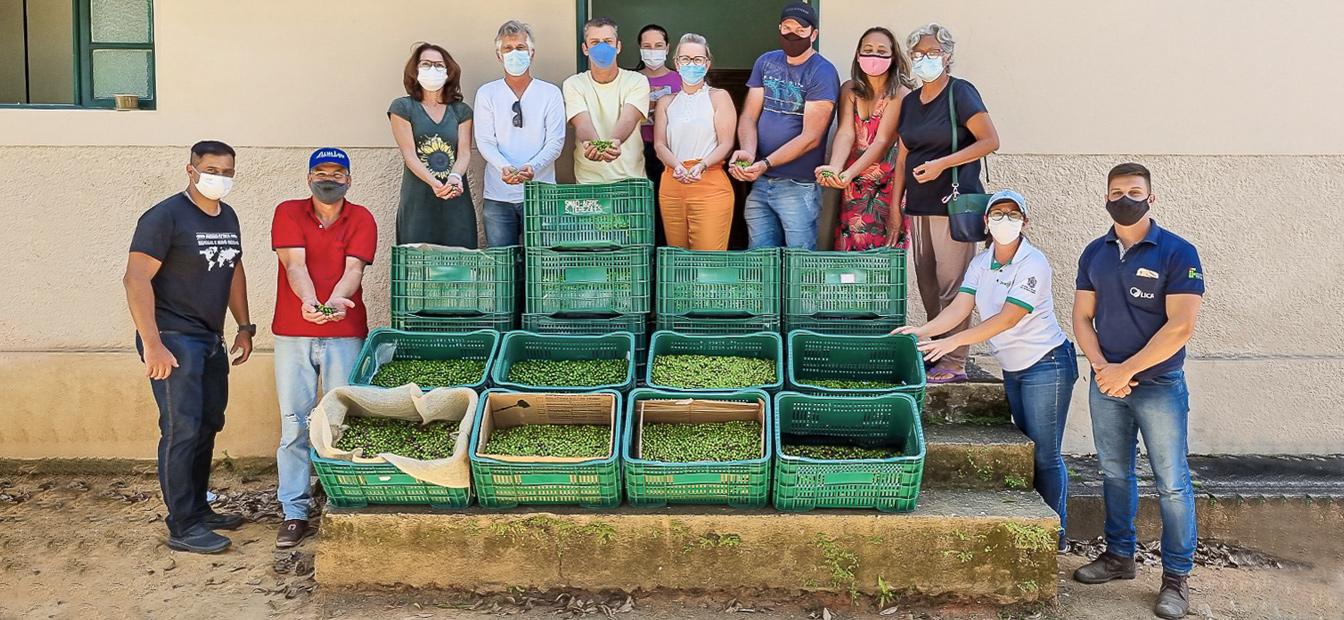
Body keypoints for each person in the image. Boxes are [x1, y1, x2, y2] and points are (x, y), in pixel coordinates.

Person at [895, 190, 1077, 548]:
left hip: (1047, 364)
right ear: (985, 222)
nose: (1004, 220)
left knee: (1045, 454)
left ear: (1025, 222)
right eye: (997, 214)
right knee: (1028, 448)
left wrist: (951, 343)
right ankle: (1037, 527)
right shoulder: (981, 262)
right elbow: (960, 308)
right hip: (1014, 367)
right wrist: (923, 329)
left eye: (1012, 214)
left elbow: (1009, 317)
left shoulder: (1033, 262)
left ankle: (1055, 534)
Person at [1071, 163, 1205, 620]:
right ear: (1105, 197)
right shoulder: (1095, 253)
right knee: (1114, 473)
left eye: (1133, 191)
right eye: (1115, 191)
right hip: (1106, 382)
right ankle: (1119, 557)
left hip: (1159, 385)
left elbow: (1181, 326)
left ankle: (1176, 579)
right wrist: (1103, 368)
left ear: (1151, 198)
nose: (1123, 198)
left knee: (1171, 483)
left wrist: (1125, 369)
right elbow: (1081, 318)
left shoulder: (1177, 252)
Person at [123, 140, 254, 554]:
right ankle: (182, 524)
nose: (220, 177)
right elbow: (135, 279)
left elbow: (232, 269)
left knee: (208, 424)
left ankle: (199, 507)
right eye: (212, 169)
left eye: (228, 171)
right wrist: (153, 344)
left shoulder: (227, 215)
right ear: (191, 170)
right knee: (180, 430)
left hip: (209, 337)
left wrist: (245, 326)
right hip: (172, 337)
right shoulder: (165, 217)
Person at [269, 148, 377, 548]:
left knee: (340, 422)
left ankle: (339, 499)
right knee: (294, 423)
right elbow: (293, 265)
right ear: (308, 177)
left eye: (336, 172)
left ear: (348, 179)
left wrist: (332, 305)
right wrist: (309, 304)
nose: (327, 178)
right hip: (293, 334)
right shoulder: (288, 212)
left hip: (345, 332)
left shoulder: (361, 218)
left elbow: (354, 270)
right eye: (320, 171)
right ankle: (294, 510)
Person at [889, 23, 1000, 383]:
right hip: (918, 207)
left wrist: (942, 163)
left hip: (953, 205)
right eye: (918, 53)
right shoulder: (909, 102)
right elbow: (902, 157)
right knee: (928, 285)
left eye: (933, 52)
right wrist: (895, 207)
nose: (924, 59)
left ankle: (955, 360)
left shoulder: (960, 93)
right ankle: (937, 350)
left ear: (948, 56)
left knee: (954, 285)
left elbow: (989, 140)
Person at [730, 1, 840, 250]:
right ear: (779, 28)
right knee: (759, 261)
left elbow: (811, 136)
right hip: (760, 180)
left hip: (797, 186)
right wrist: (748, 152)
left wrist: (765, 163)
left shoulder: (822, 72)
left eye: (801, 30)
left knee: (798, 262)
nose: (792, 34)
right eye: (787, 27)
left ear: (814, 34)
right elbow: (748, 115)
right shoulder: (766, 62)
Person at [815, 27, 914, 250]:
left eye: (881, 51)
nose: (874, 56)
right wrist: (835, 168)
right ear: (858, 55)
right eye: (868, 50)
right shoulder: (849, 89)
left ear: (893, 56)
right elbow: (845, 132)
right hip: (854, 185)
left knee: (884, 254)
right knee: (851, 251)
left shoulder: (899, 94)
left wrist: (847, 173)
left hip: (888, 185)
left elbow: (882, 141)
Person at [474, 20, 566, 247]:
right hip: (498, 198)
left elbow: (556, 141)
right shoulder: (487, 94)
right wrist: (503, 167)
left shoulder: (550, 93)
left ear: (532, 52)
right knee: (503, 266)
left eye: (520, 48)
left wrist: (532, 167)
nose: (514, 53)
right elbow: (485, 141)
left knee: (543, 264)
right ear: (499, 55)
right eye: (508, 48)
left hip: (541, 195)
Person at [652, 33, 737, 250]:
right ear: (677, 64)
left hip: (709, 181)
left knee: (707, 258)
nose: (692, 64)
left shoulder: (719, 97)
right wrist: (677, 166)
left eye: (698, 59)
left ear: (707, 64)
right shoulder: (666, 102)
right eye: (686, 59)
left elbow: (726, 143)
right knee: (677, 257)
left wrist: (702, 165)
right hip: (672, 181)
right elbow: (659, 144)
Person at [389, 42, 476, 247]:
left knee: (460, 266)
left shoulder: (461, 110)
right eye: (426, 64)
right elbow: (409, 155)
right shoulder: (402, 107)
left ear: (449, 72)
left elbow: (463, 153)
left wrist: (454, 178)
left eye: (439, 65)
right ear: (415, 69)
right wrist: (435, 184)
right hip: (418, 200)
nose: (432, 69)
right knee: (417, 266)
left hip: (456, 199)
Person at [564, 17, 651, 185]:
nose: (602, 47)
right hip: (589, 181)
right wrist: (593, 144)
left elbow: (629, 118)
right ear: (585, 48)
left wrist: (614, 141)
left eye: (608, 41)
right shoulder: (573, 84)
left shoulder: (637, 81)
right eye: (595, 42)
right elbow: (581, 123)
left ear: (618, 46)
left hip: (630, 180)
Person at [635, 23, 680, 245]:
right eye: (647, 46)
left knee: (666, 208)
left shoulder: (680, 80)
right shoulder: (630, 80)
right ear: (640, 49)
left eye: (658, 45)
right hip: (635, 151)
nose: (653, 50)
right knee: (640, 207)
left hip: (670, 154)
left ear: (667, 47)